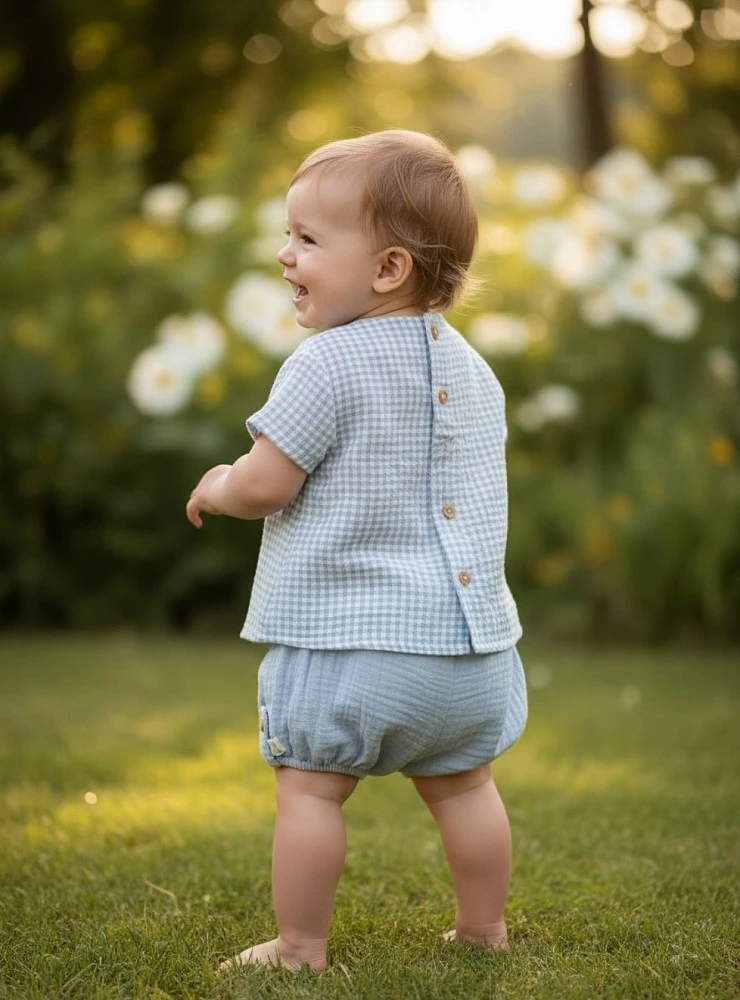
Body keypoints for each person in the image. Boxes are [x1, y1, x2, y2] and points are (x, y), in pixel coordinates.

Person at [186, 129, 526, 973]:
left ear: (387, 270)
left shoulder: (326, 363)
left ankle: (300, 947)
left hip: (355, 649)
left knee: (309, 789)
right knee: (467, 788)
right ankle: (483, 930)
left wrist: (219, 481)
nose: (283, 254)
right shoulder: (476, 372)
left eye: (306, 239)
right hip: (470, 657)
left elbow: (268, 483)